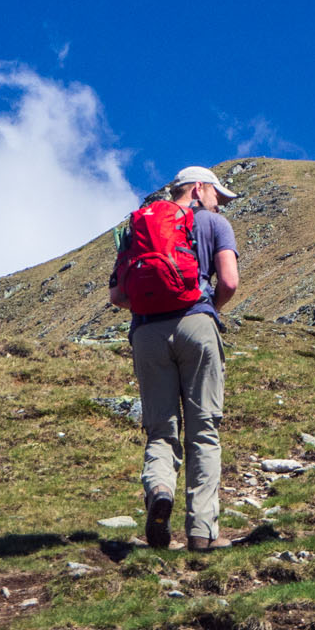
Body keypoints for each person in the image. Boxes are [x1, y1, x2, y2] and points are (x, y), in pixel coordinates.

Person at [108, 165, 241, 552]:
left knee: (161, 429)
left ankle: (160, 488)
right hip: (196, 324)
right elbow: (229, 282)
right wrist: (206, 309)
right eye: (217, 195)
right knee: (204, 429)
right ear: (198, 189)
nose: (219, 204)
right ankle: (202, 532)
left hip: (147, 332)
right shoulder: (215, 225)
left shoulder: (138, 227)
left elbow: (116, 297)